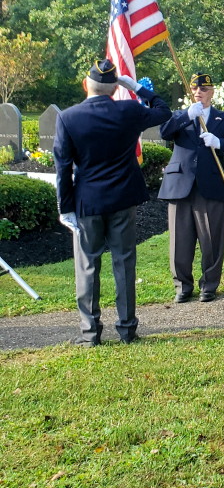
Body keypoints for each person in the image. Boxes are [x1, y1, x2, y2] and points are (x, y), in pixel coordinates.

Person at [53, 58, 171, 345]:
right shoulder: (129, 109)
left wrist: (65, 207)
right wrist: (137, 89)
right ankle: (127, 329)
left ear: (85, 84)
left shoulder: (68, 117)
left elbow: (63, 168)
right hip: (122, 199)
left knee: (88, 266)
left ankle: (90, 333)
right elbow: (163, 111)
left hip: (87, 202)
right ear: (115, 86)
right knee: (124, 262)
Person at [158, 72, 224, 303]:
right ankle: (182, 286)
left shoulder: (223, 118)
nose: (199, 92)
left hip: (210, 184)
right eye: (195, 89)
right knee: (180, 240)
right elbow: (164, 133)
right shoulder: (180, 115)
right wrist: (187, 116)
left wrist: (220, 142)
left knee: (211, 239)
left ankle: (209, 285)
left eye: (204, 89)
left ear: (212, 92)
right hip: (180, 184)